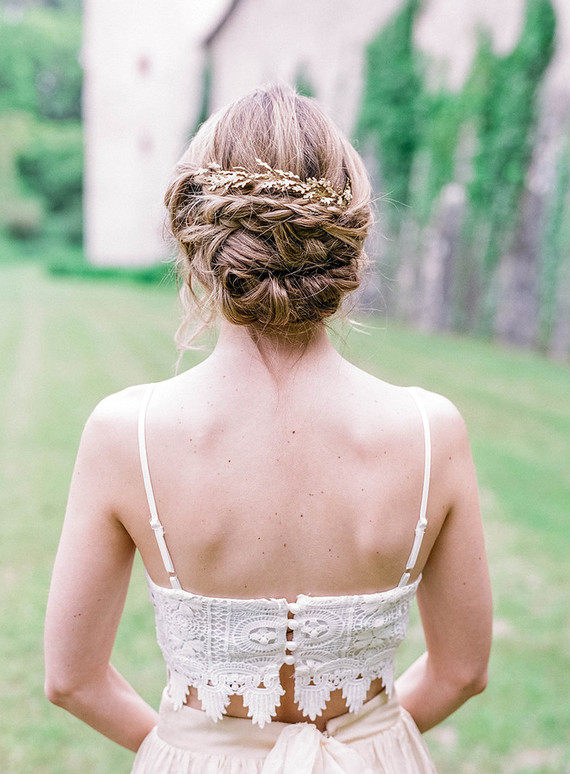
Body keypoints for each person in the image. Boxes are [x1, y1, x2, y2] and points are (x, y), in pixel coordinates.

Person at [44, 84, 492, 773]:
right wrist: (357, 747)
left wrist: (199, 752)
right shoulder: (432, 434)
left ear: (199, 239)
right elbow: (462, 670)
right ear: (349, 242)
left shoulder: (124, 433)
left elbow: (72, 680)